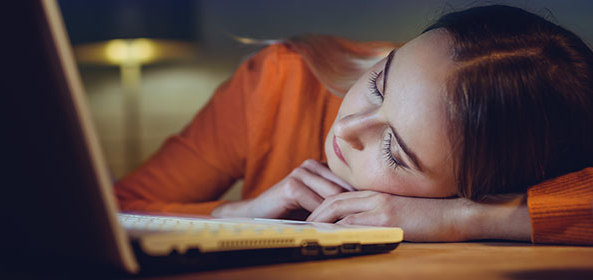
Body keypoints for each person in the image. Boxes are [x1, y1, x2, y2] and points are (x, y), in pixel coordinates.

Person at [115, 5, 593, 244]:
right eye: (380, 82)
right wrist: (243, 214)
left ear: (481, 185)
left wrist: (464, 218)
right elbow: (114, 211)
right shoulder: (283, 78)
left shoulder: (507, 177)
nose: (347, 129)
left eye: (394, 151)